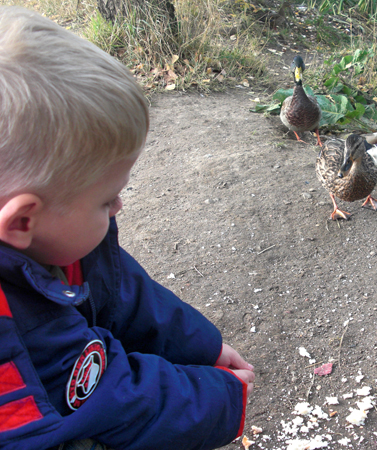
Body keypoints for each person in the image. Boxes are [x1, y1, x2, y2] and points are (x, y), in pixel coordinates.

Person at [0, 6, 254, 450]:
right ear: (23, 220)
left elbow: (120, 289)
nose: (118, 206)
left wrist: (203, 346)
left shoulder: (56, 239)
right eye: (105, 200)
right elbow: (109, 398)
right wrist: (226, 399)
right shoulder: (15, 335)